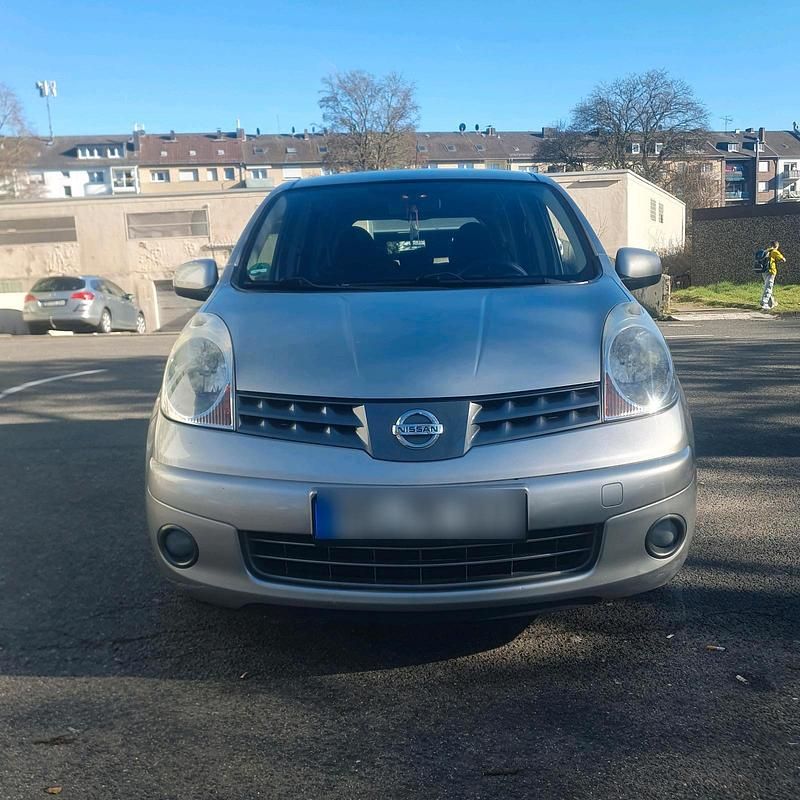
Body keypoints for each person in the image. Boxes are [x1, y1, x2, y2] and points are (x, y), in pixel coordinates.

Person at [760, 240, 786, 310]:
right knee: (769, 287)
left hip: (764, 271)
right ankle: (764, 303)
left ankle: (772, 302)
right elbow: (783, 259)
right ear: (777, 246)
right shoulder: (774, 251)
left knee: (767, 286)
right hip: (771, 271)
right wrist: (780, 259)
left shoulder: (765, 251)